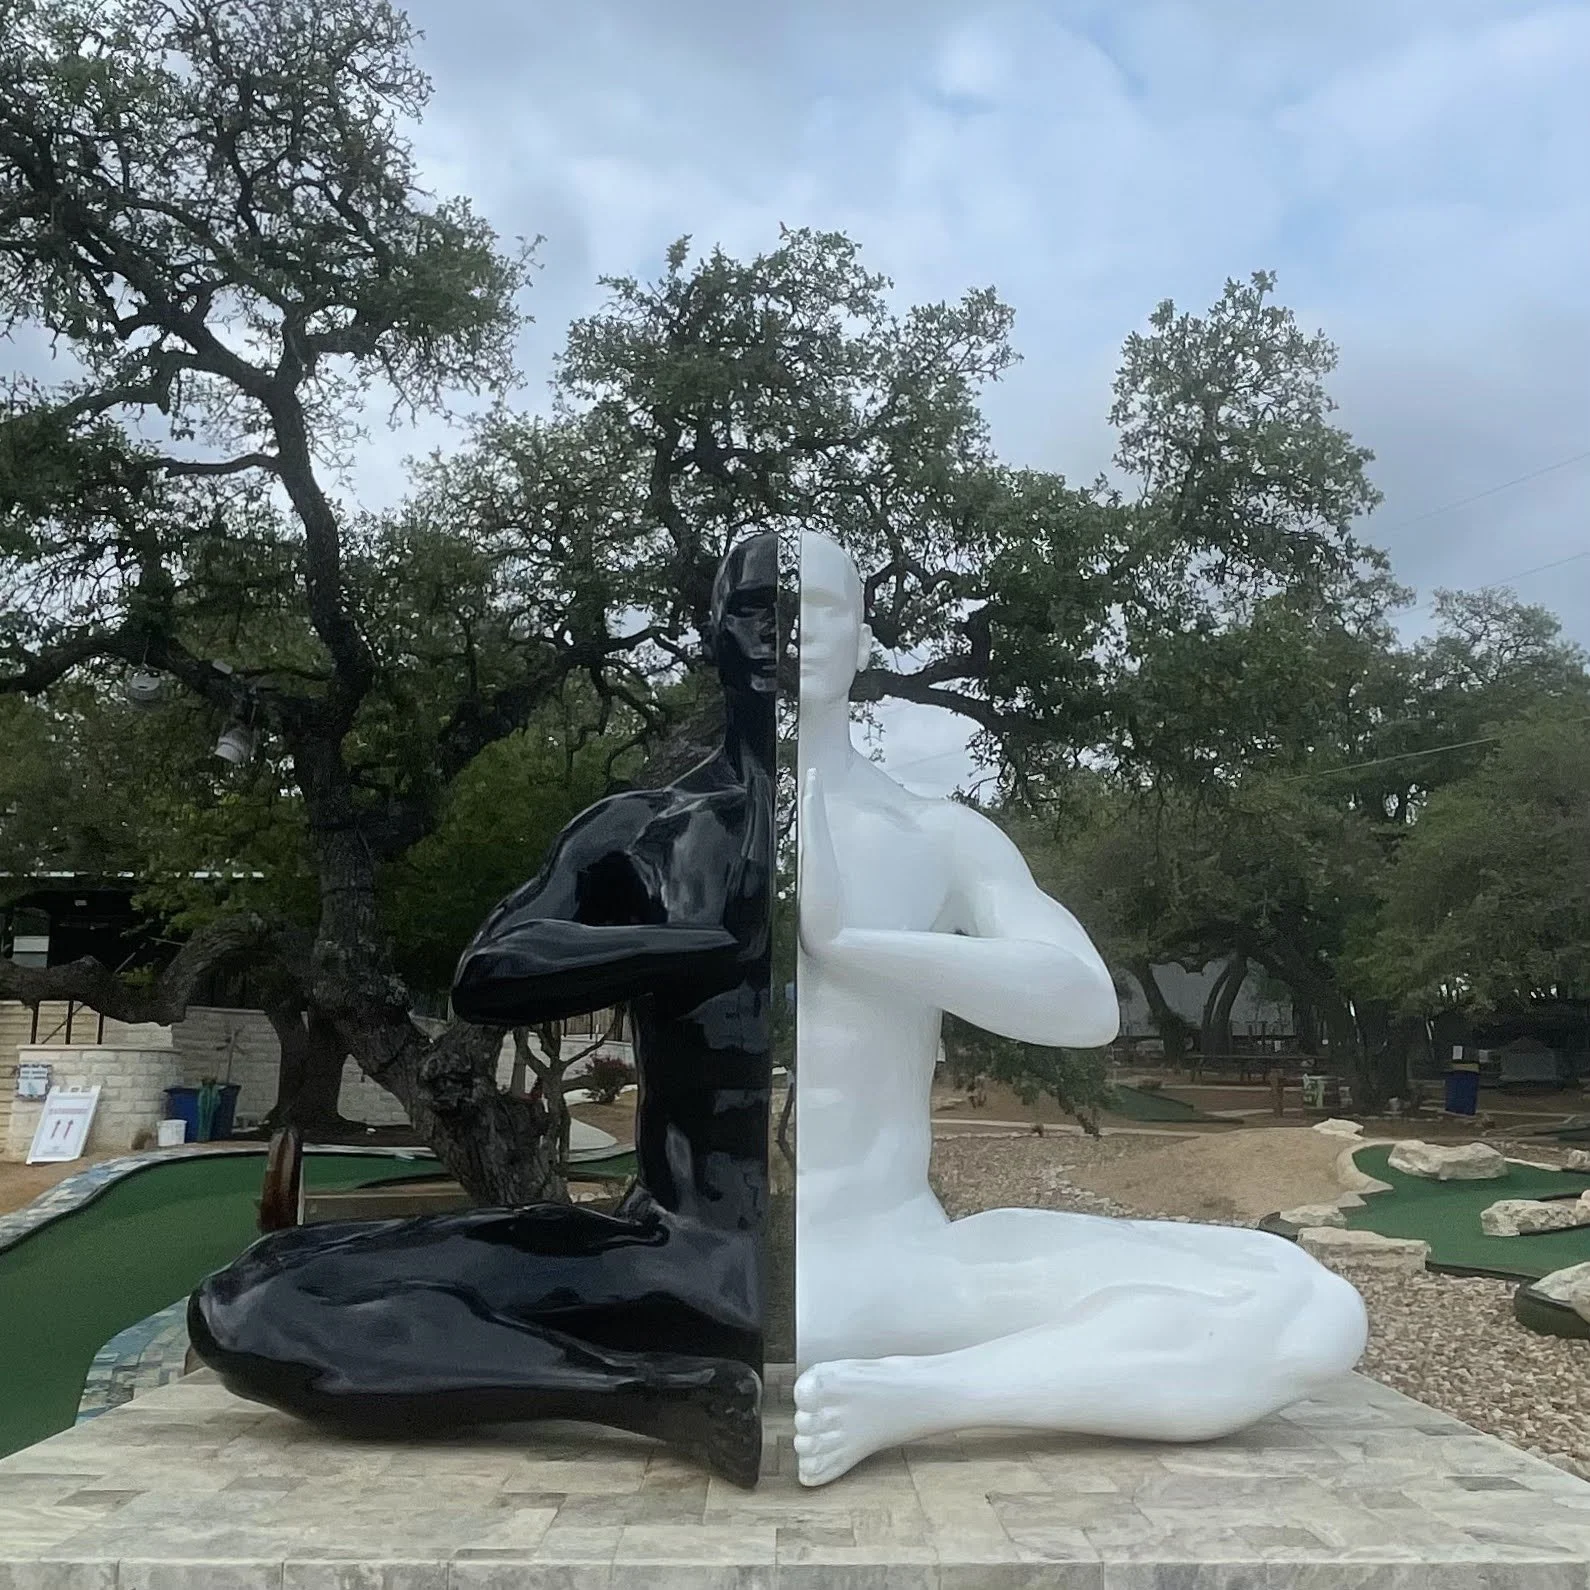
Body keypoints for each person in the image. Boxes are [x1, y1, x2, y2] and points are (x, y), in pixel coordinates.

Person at [188, 533, 778, 1487]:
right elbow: (489, 973)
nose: (778, 638)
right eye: (755, 611)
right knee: (246, 1296)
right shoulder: (645, 833)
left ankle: (640, 1391)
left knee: (245, 1308)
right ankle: (650, 1394)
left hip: (732, 1269)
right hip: (660, 1249)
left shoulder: (903, 839)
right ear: (712, 633)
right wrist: (706, 948)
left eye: (801, 616)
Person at [792, 530, 1368, 1488]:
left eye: (819, 607)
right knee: (1296, 1317)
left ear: (861, 641)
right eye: (768, 609)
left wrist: (852, 945)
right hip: (803, 1280)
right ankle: (925, 1394)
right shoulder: (665, 832)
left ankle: (918, 1397)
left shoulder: (933, 833)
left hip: (894, 1255)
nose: (792, 633)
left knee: (1314, 1306)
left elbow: (1083, 1001)